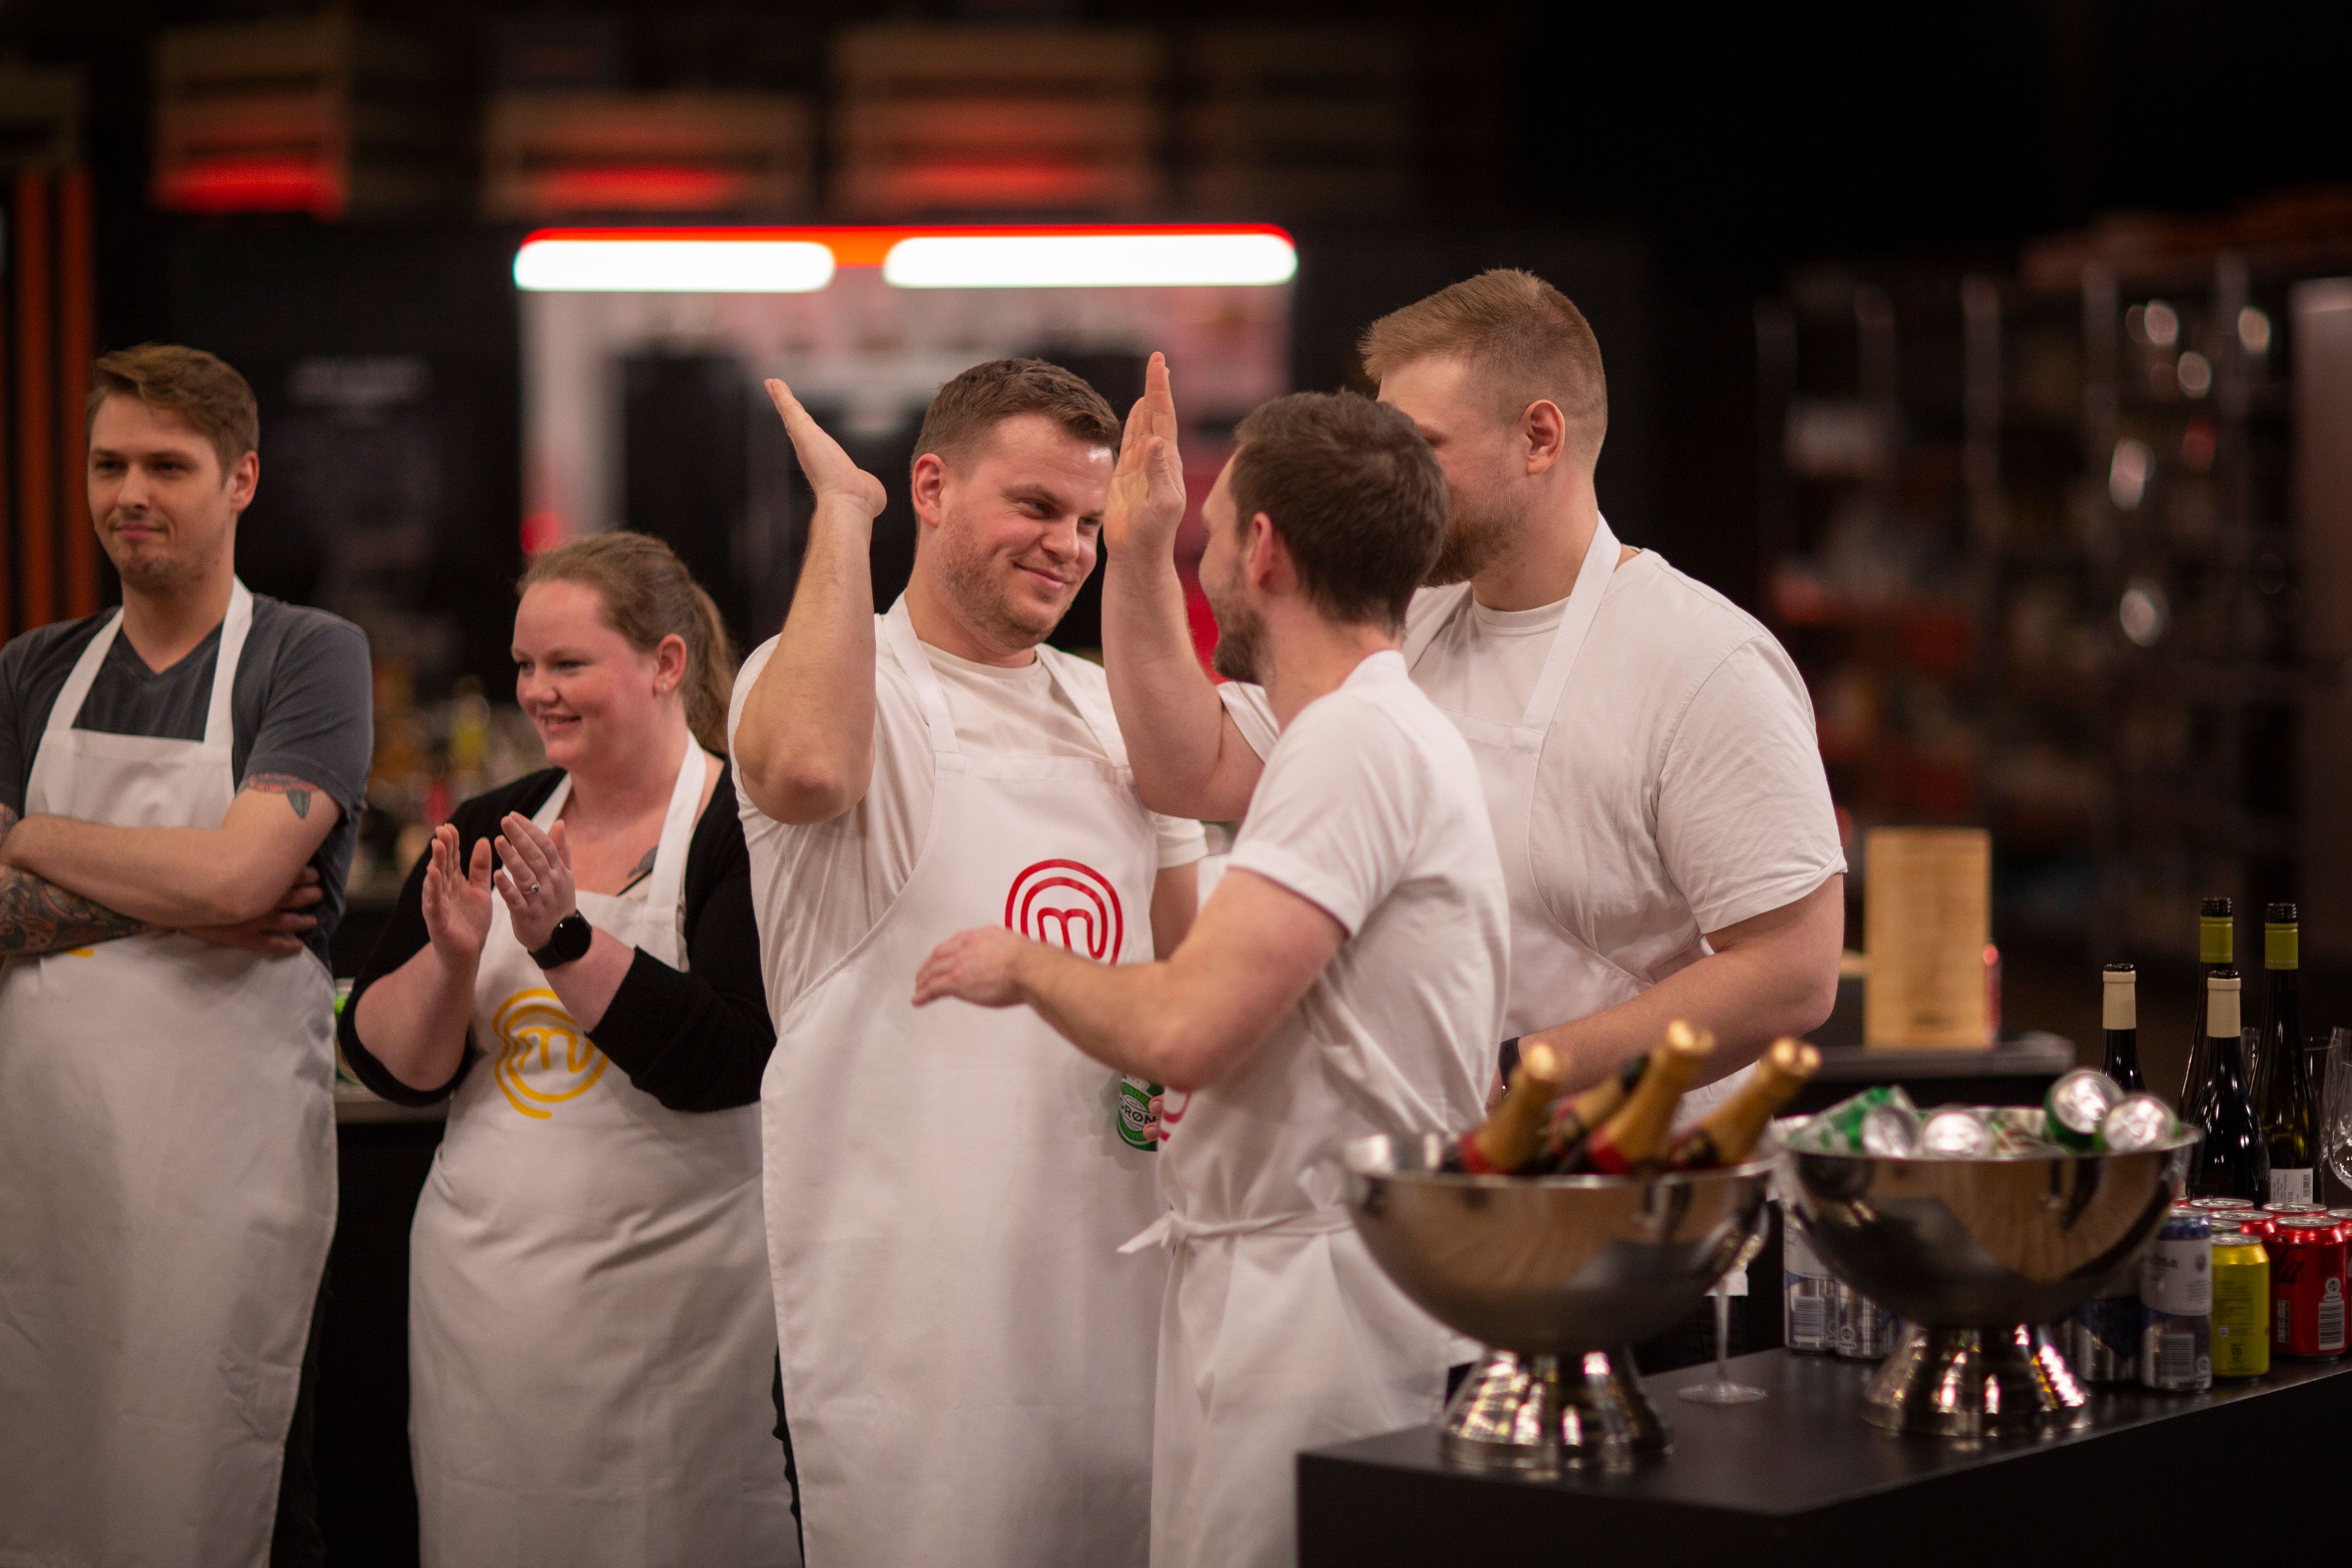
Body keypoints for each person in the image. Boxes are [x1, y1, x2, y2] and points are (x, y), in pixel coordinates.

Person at [914, 387, 1507, 1568]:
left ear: (1264, 548)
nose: (1203, 560)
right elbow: (1179, 761)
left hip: (1322, 1295)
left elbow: (1188, 1024)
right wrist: (1135, 551)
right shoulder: (1347, 726)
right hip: (1296, 1269)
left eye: (1210, 531)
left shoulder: (1355, 740)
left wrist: (1024, 960)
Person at [1101, 275, 1845, 1111]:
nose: (1393, 480)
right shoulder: (1399, 615)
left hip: (1620, 1201)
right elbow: (1190, 770)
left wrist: (1510, 1073)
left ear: (1539, 437)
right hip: (1423, 1186)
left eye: (1422, 447)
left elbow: (1792, 972)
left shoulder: (1703, 662)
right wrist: (1137, 555)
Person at [730, 358, 1205, 1568]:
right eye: (1035, 506)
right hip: (915, 1308)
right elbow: (806, 774)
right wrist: (839, 513)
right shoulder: (827, 679)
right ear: (928, 486)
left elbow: (1185, 967)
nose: (1066, 545)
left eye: (1088, 522)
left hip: (1116, 1270)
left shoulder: (1115, 713)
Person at [338, 533, 795, 1566]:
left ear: (666, 664)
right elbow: (392, 1068)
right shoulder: (498, 821)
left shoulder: (745, 828)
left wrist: (562, 941)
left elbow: (725, 1060)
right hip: (487, 1306)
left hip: (678, 1309)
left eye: (568, 665)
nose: (537, 692)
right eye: (525, 666)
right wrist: (452, 961)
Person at [0, 344, 373, 1567]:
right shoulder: (32, 671)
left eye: (167, 463)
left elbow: (243, 878)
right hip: (51, 1179)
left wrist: (33, 840)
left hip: (230, 1186)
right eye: (108, 464)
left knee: (234, 1486)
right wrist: (188, 893)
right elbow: (213, 882)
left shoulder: (306, 656)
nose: (130, 493)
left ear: (242, 479)